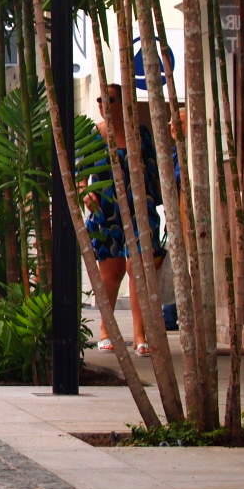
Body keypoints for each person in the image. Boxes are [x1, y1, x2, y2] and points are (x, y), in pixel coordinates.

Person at [83, 83, 166, 356]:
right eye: (99, 99)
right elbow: (81, 174)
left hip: (138, 208)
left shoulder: (139, 135)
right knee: (111, 273)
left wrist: (159, 205)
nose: (103, 103)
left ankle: (140, 334)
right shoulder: (94, 135)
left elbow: (154, 169)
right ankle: (107, 329)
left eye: (110, 99)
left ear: (123, 103)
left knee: (138, 269)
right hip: (107, 210)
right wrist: (86, 194)